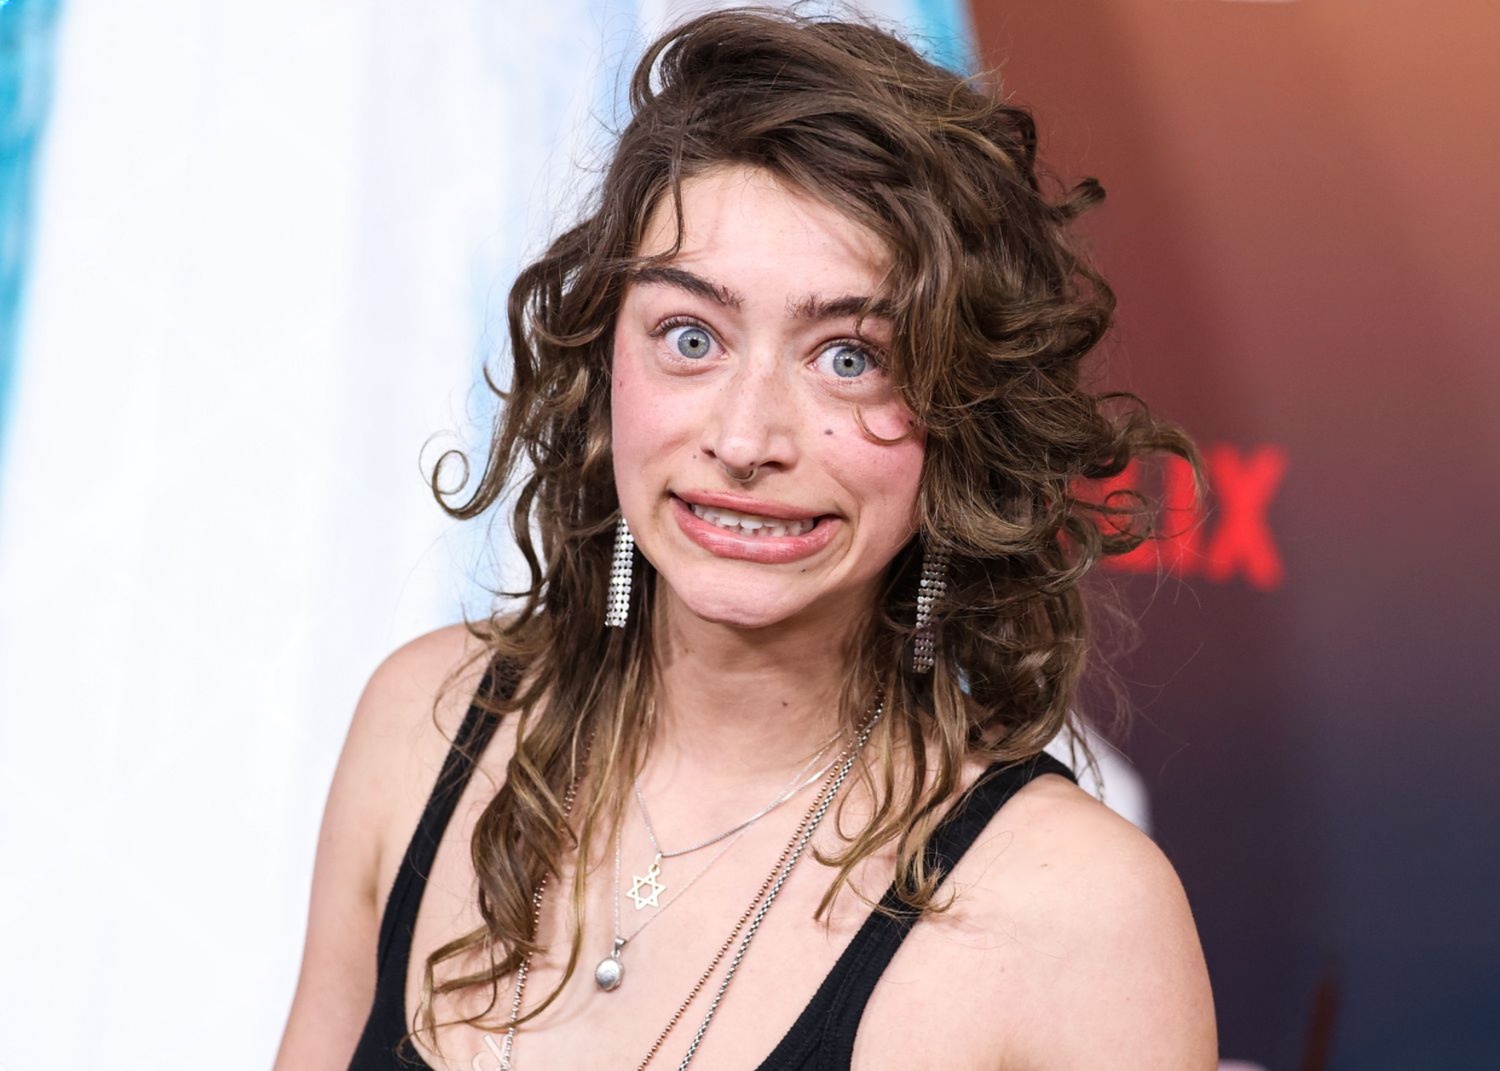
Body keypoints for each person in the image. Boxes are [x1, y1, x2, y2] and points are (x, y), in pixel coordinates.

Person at [275, 8, 1218, 1069]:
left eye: (850, 357)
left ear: (964, 413)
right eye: (691, 337)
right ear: (604, 365)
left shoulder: (1080, 917)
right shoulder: (424, 723)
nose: (744, 438)